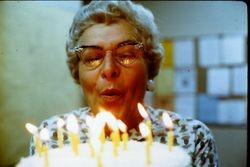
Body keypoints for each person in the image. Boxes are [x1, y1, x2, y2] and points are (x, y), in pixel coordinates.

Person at [29, 1, 219, 166]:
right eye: (93, 58)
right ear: (77, 73)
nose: (109, 69)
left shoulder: (192, 138)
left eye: (127, 55)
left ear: (150, 68)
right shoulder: (51, 136)